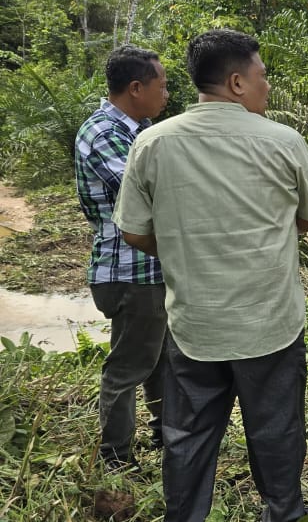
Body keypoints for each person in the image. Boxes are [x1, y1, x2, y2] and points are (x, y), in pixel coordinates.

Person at [113, 29, 308, 522]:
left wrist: (181, 247)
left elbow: (134, 232)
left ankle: (185, 515)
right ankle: (284, 511)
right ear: (236, 82)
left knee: (187, 435)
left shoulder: (152, 143)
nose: (267, 86)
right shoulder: (283, 142)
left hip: (195, 324)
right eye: (262, 75)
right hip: (270, 322)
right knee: (276, 429)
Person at [74, 45, 170, 472]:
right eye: (162, 84)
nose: (166, 93)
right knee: (129, 365)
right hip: (130, 268)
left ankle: (167, 434)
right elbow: (149, 191)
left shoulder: (136, 131)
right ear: (136, 88)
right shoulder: (103, 133)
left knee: (160, 357)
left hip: (147, 267)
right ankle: (116, 459)